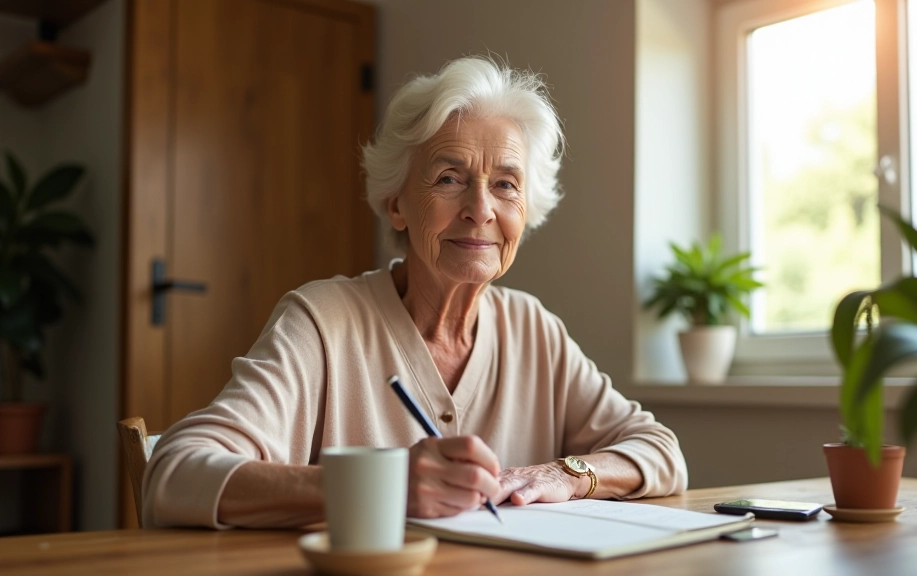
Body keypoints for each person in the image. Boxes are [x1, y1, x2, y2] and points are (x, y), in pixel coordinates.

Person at [142, 56, 687, 529]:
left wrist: (566, 474)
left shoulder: (533, 328)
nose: (481, 208)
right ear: (397, 204)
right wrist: (384, 488)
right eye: (449, 178)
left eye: (505, 184)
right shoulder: (323, 320)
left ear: (526, 210)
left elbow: (661, 452)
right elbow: (173, 473)